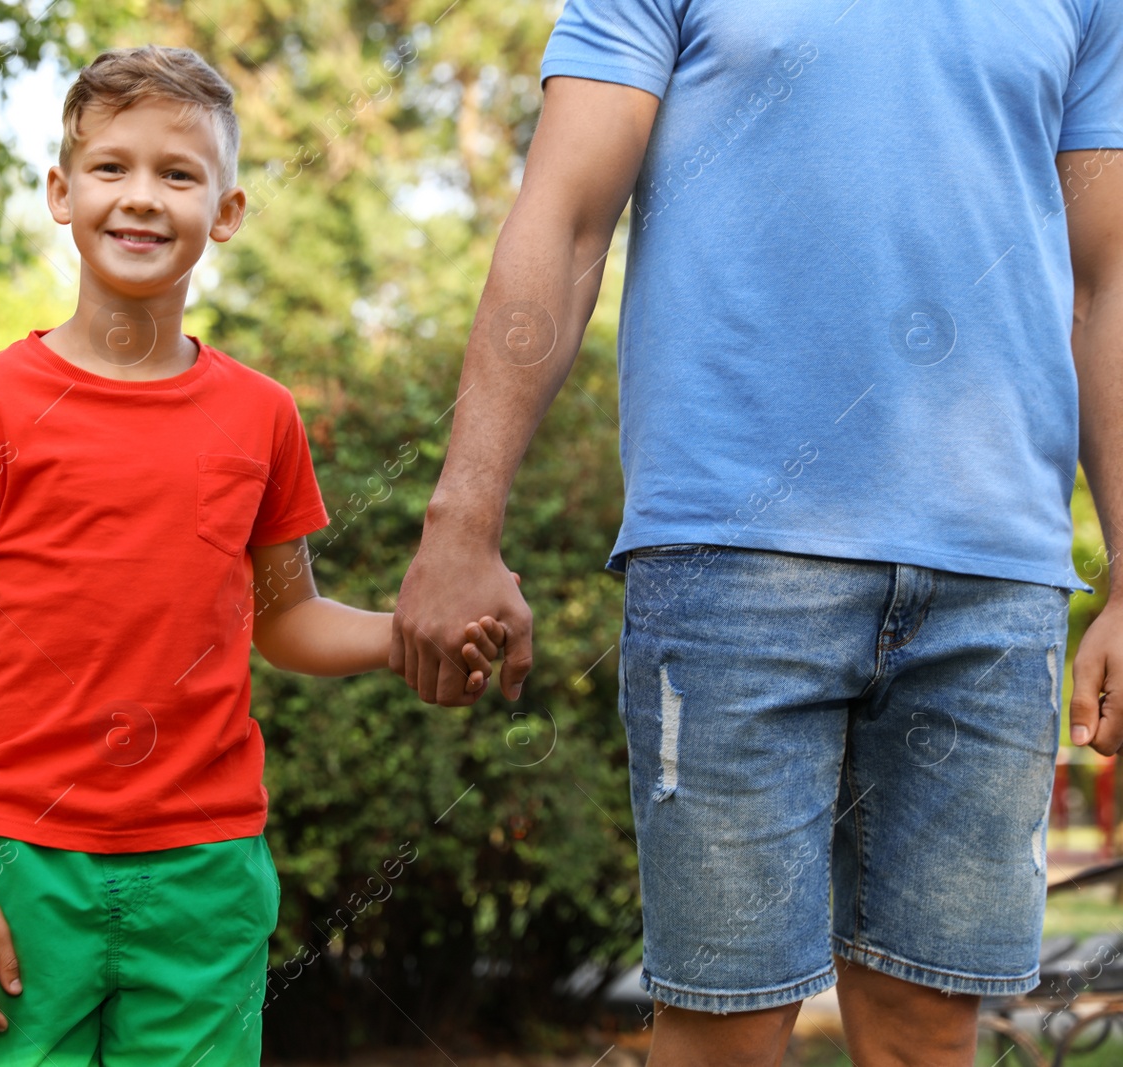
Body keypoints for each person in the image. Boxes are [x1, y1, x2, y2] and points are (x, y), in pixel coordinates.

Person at [391, 3, 1123, 1065]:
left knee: (930, 1036)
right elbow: (565, 218)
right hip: (731, 559)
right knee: (719, 1037)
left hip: (993, 579)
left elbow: (1105, 280)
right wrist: (461, 516)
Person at [0, 45, 503, 1066]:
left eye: (177, 174)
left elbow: (285, 617)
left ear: (225, 211)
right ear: (59, 191)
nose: (140, 198)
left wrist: (409, 637)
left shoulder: (260, 416)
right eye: (110, 167)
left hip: (205, 870)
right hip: (22, 865)